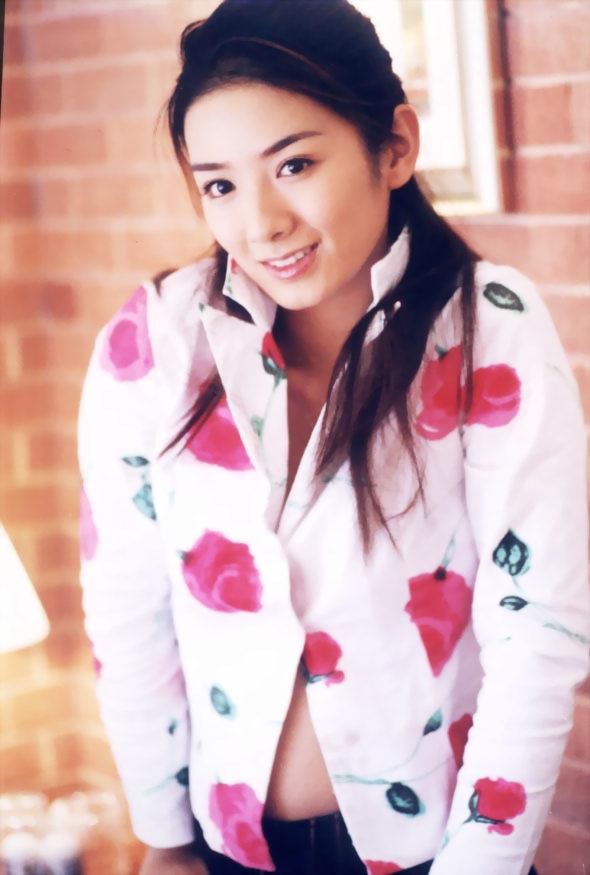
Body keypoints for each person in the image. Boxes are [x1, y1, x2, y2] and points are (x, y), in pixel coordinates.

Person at [77, 2, 590, 874]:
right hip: (229, 850)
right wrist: (163, 835)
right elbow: (128, 608)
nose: (262, 221)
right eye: (220, 185)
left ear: (394, 147)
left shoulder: (488, 326)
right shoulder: (157, 338)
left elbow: (537, 627)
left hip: (444, 852)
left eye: (296, 164)